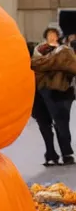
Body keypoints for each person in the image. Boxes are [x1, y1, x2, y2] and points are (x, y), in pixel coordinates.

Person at [31, 24, 76, 166]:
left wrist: (47, 63)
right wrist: (56, 61)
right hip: (42, 91)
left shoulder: (65, 51)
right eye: (49, 34)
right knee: (44, 123)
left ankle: (67, 154)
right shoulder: (39, 50)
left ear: (58, 36)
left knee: (62, 124)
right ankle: (51, 154)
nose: (52, 36)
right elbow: (34, 64)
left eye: (54, 34)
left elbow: (71, 65)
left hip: (61, 92)